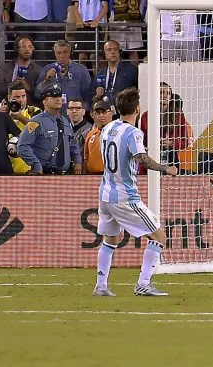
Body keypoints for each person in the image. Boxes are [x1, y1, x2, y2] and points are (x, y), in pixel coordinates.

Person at [94, 87, 179, 297]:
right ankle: (143, 283)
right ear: (138, 109)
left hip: (105, 193)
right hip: (125, 196)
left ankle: (101, 285)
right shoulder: (134, 133)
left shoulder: (108, 127)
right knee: (158, 235)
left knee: (110, 239)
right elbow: (141, 158)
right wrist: (165, 168)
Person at [16, 82, 81, 175]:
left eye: (59, 96)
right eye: (53, 97)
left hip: (66, 175)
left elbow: (73, 144)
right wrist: (36, 164)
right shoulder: (36, 122)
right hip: (45, 174)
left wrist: (77, 162)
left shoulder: (65, 122)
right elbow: (22, 147)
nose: (58, 99)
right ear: (45, 102)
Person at [83, 99, 114, 174]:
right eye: (97, 113)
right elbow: (86, 158)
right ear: (92, 115)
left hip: (112, 177)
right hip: (92, 177)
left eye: (104, 112)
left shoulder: (119, 133)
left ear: (111, 113)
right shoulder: (90, 134)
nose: (101, 116)